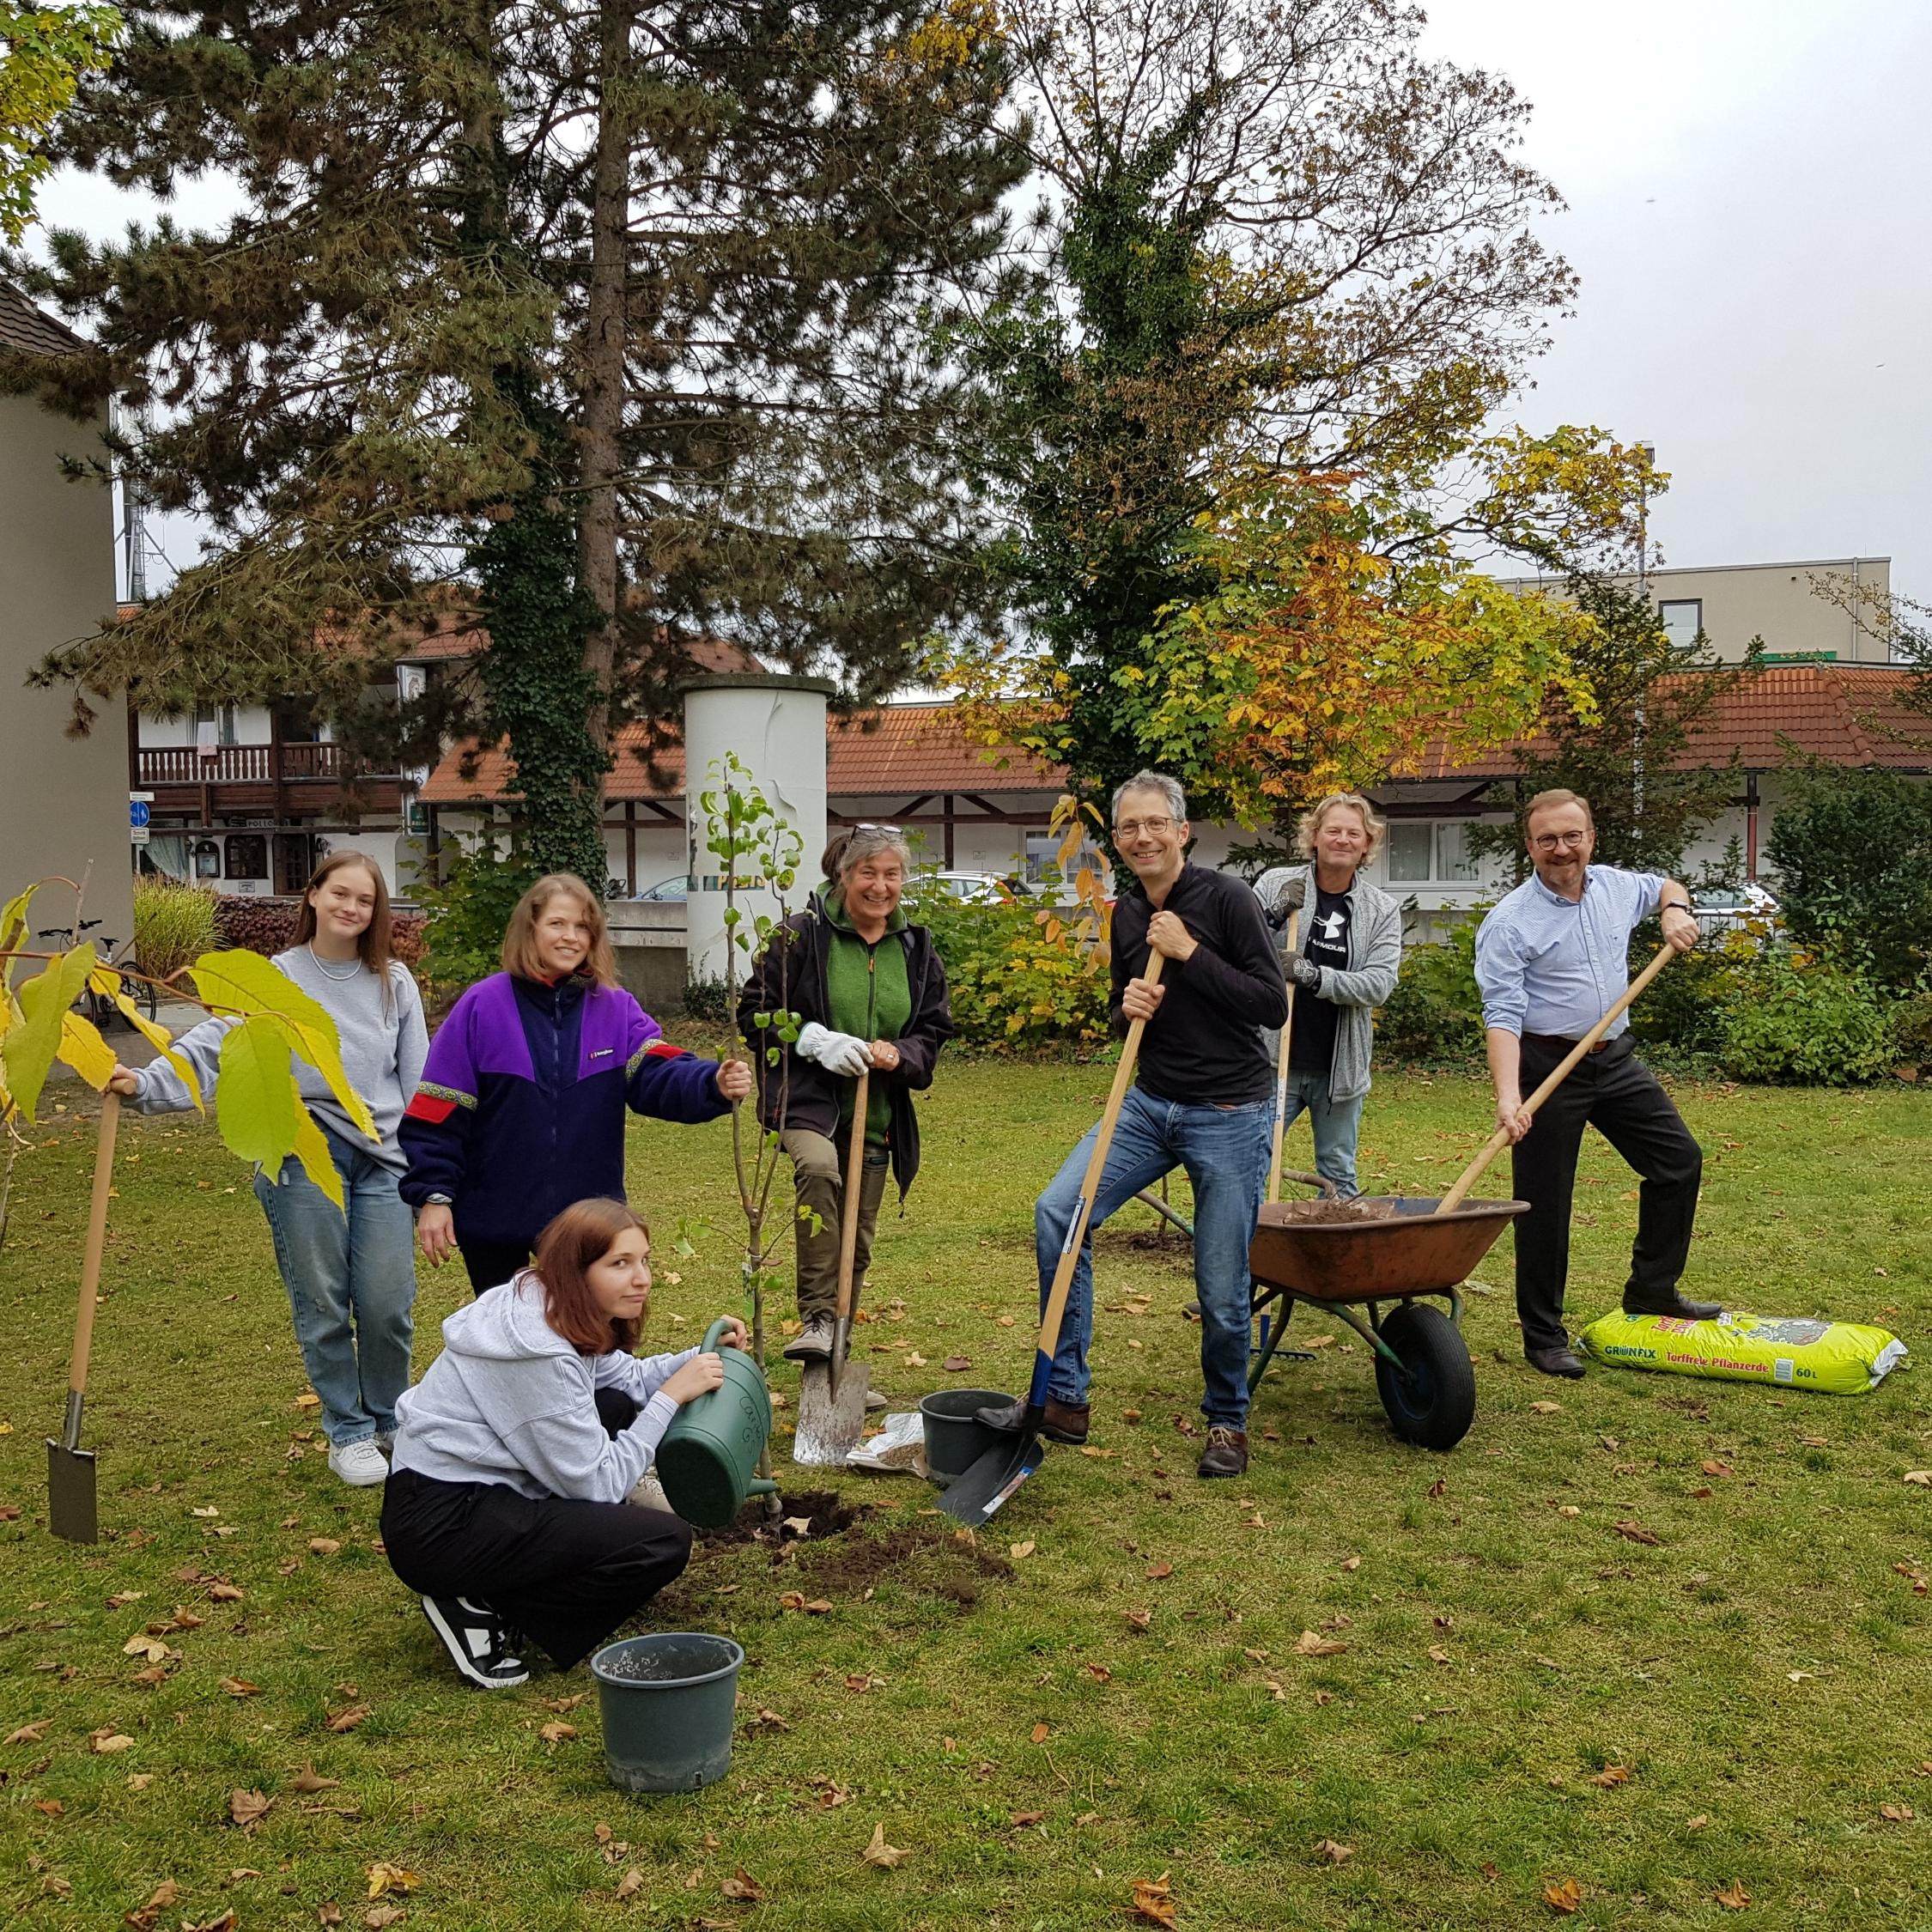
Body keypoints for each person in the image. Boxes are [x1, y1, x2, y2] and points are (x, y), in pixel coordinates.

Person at [981, 772, 1287, 1479]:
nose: (1142, 837)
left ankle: (1227, 1421)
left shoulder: (1227, 900)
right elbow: (1128, 1017)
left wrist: (1191, 956)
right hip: (1148, 1105)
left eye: (1155, 825)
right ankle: (1064, 1399)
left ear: (1182, 831)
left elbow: (1271, 1006)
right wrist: (1128, 1005)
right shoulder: (1124, 914)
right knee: (1061, 1211)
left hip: (1229, 1112)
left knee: (1219, 1278)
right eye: (1128, 829)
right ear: (1117, 841)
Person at [109, 853, 428, 1489]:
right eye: (340, 893)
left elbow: (419, 1078)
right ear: (312, 896)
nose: (352, 908)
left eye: (365, 901)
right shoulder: (275, 978)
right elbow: (215, 1044)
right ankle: (349, 1430)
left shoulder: (395, 981)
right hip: (302, 1152)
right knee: (324, 1302)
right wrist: (143, 1082)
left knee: (388, 1303)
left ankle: (391, 1417)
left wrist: (435, 1167)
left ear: (376, 912)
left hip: (385, 1159)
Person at [380, 1197, 747, 1686]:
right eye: (620, 1264)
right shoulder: (538, 1352)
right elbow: (597, 1485)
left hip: (467, 1491)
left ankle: (497, 1583)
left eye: (644, 1260)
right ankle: (479, 1605)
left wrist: (697, 1359)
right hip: (443, 1524)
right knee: (662, 1542)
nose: (642, 1279)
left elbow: (631, 1379)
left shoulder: (552, 1303)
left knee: (614, 1404)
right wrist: (671, 1395)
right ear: (577, 1271)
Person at [400, 872, 752, 1295]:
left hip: (588, 1218)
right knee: (508, 1348)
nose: (571, 937)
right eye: (557, 924)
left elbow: (657, 1075)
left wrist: (710, 1081)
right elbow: (438, 1109)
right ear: (530, 929)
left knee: (590, 1339)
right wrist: (435, 1195)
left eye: (583, 927)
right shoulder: (482, 1006)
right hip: (494, 1217)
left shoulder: (615, 1007)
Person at [1473, 789, 1716, 1379]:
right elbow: (1502, 1016)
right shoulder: (1509, 923)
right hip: (1546, 1067)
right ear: (1530, 846)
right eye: (1549, 839)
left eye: (1572, 836)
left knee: (1678, 1161)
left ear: (1590, 838)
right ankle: (1543, 1335)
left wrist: (1675, 911)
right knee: (1545, 1205)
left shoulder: (1613, 886)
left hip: (1615, 1062)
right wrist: (1509, 1098)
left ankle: (1652, 1289)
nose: (1563, 849)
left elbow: (1666, 887)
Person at [738, 824, 954, 1367]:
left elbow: (932, 1031)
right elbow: (754, 1011)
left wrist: (898, 1055)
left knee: (855, 1243)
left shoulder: (916, 947)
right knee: (820, 1170)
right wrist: (812, 1039)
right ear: (842, 875)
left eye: (892, 874)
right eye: (868, 873)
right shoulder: (800, 935)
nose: (881, 886)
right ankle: (816, 1316)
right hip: (807, 1100)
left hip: (876, 1113)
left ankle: (833, 1359)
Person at [1252, 792, 1402, 1199]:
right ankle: (1250, 1253)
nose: (1343, 839)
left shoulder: (1380, 910)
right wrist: (1272, 916)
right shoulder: (1276, 884)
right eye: (1333, 830)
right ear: (1315, 837)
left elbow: (1379, 984)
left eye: (1354, 833)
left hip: (1340, 1069)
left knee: (1338, 1173)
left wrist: (1314, 976)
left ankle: (1334, 1257)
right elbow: (1238, 948)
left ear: (1367, 844)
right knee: (1250, 1162)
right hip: (1272, 1058)